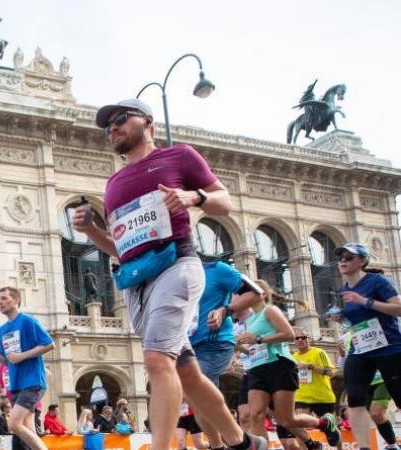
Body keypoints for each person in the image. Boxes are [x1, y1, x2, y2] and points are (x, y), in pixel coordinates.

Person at [75, 98, 265, 450]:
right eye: (107, 125)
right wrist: (91, 231)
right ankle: (242, 442)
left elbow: (224, 201)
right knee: (187, 373)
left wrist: (194, 197)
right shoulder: (113, 183)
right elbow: (123, 249)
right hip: (137, 283)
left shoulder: (179, 156)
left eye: (120, 118)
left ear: (148, 122)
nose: (112, 127)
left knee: (156, 360)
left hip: (176, 266)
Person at [236, 279, 339, 450]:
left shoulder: (270, 310)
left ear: (261, 294)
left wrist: (259, 339)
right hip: (256, 368)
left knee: (286, 420)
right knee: (255, 415)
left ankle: (324, 423)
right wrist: (241, 345)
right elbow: (255, 346)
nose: (243, 296)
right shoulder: (250, 320)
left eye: (246, 292)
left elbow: (289, 335)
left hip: (279, 366)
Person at [330, 243, 401, 450]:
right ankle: (364, 447)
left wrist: (365, 301)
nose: (343, 261)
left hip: (389, 347)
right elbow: (354, 321)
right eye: (341, 258)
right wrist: (341, 318)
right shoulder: (343, 290)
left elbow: (398, 309)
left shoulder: (377, 281)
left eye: (349, 257)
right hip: (360, 348)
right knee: (354, 397)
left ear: (362, 261)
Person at [189, 262, 263, 450]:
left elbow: (255, 292)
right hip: (187, 347)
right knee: (197, 401)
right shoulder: (171, 276)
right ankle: (219, 446)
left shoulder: (216, 269)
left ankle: (242, 442)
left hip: (215, 343)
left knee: (194, 385)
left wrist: (224, 310)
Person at [0, 286, 55, 450]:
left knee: (13, 424)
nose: (0, 302)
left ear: (16, 300)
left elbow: (50, 344)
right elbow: (8, 361)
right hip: (15, 385)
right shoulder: (2, 330)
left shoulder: (28, 321)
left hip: (32, 381)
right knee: (29, 431)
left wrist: (23, 355)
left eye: (4, 298)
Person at [291, 330, 336, 417]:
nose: (300, 340)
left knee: (327, 425)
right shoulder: (293, 357)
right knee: (302, 422)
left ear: (309, 339)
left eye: (303, 337)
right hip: (301, 398)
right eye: (297, 338)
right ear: (294, 341)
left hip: (322, 398)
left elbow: (330, 372)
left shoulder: (319, 352)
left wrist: (309, 366)